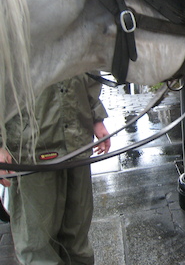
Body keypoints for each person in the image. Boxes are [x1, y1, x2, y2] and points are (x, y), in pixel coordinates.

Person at [0, 74, 110, 265]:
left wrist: (96, 117)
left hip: (77, 140)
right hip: (31, 147)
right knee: (38, 241)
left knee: (77, 235)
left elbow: (87, 63)